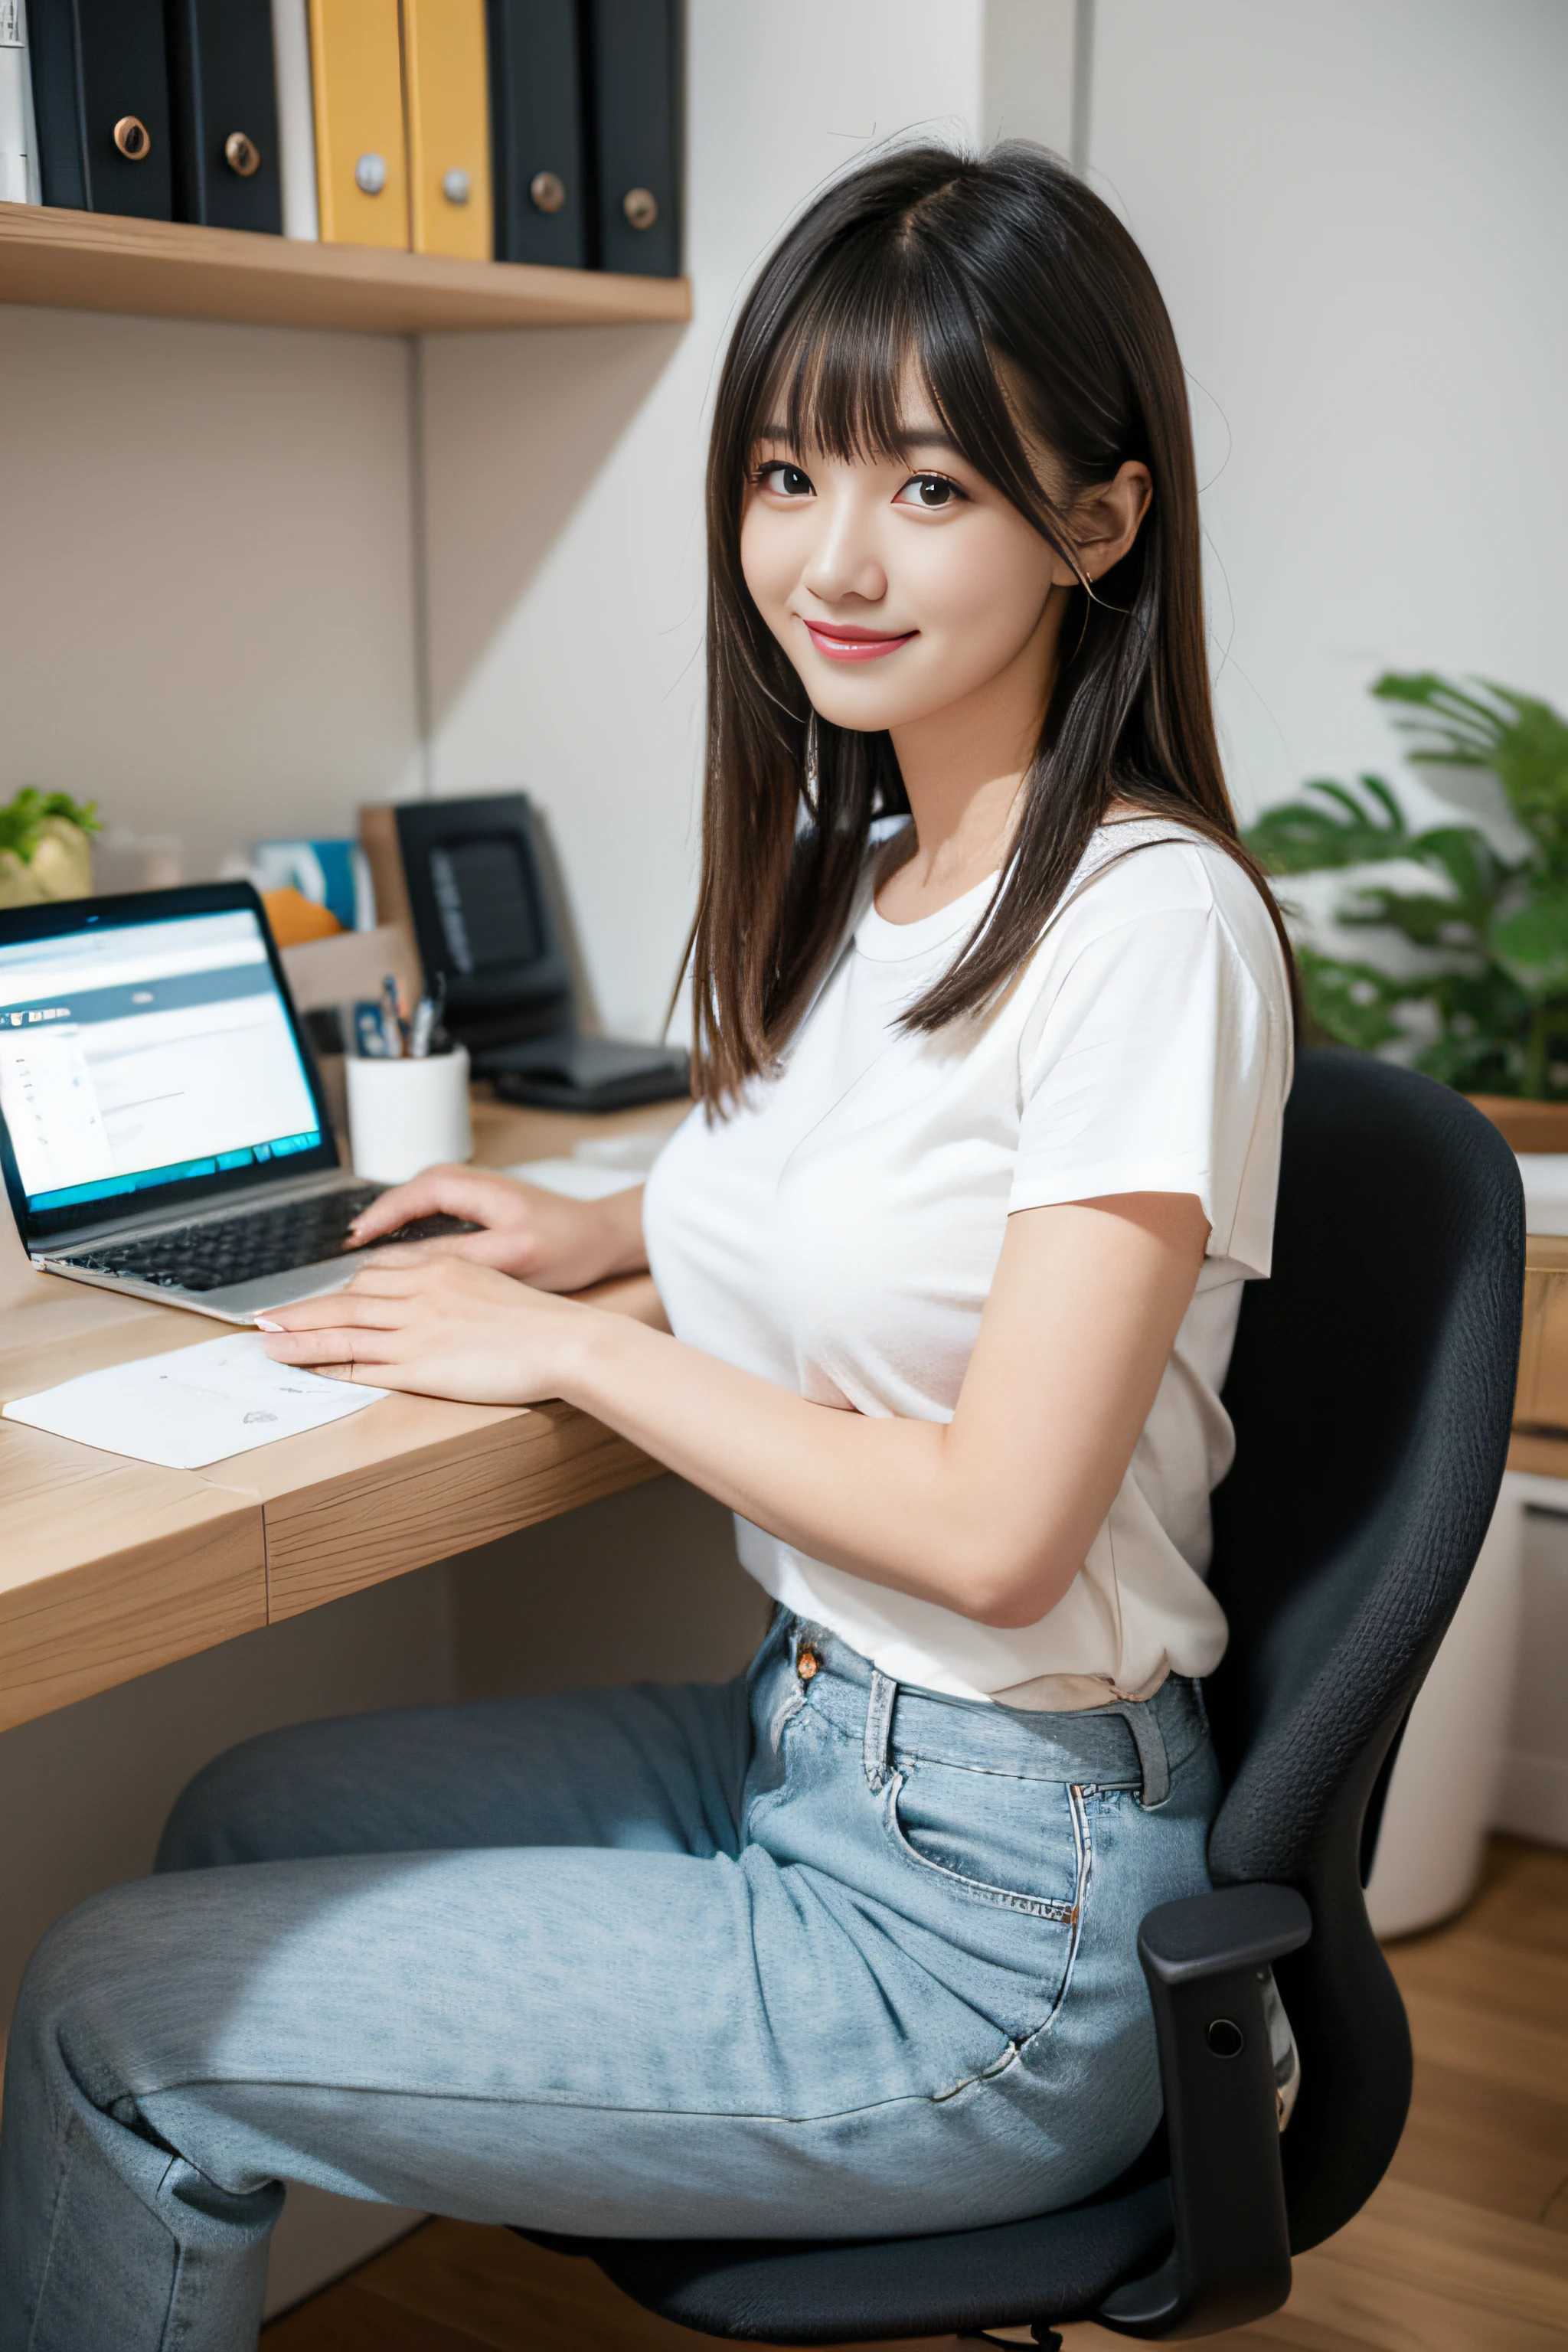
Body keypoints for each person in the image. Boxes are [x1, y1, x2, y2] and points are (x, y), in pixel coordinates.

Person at [0, 142, 1292, 2350]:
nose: (834, 558)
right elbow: (890, 1210)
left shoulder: (1146, 924)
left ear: (1100, 521)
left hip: (993, 1911)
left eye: (933, 489)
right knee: (235, 1804)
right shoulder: (876, 864)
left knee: (111, 2019)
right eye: (788, 473)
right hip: (799, 1733)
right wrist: (597, 1228)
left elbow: (996, 1531)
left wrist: (579, 1355)